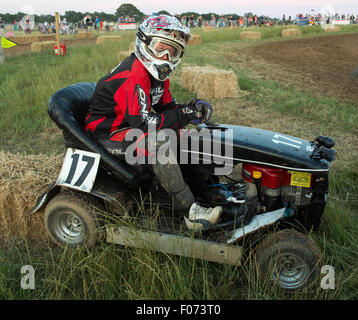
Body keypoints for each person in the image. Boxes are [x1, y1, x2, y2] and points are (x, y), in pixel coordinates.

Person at [84, 15, 222, 230]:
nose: (166, 56)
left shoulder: (158, 76)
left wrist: (191, 111)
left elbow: (168, 108)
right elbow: (144, 123)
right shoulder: (134, 75)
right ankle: (190, 213)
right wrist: (183, 114)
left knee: (188, 135)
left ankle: (202, 191)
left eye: (172, 51)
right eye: (160, 48)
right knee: (158, 143)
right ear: (145, 42)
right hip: (104, 134)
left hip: (127, 126)